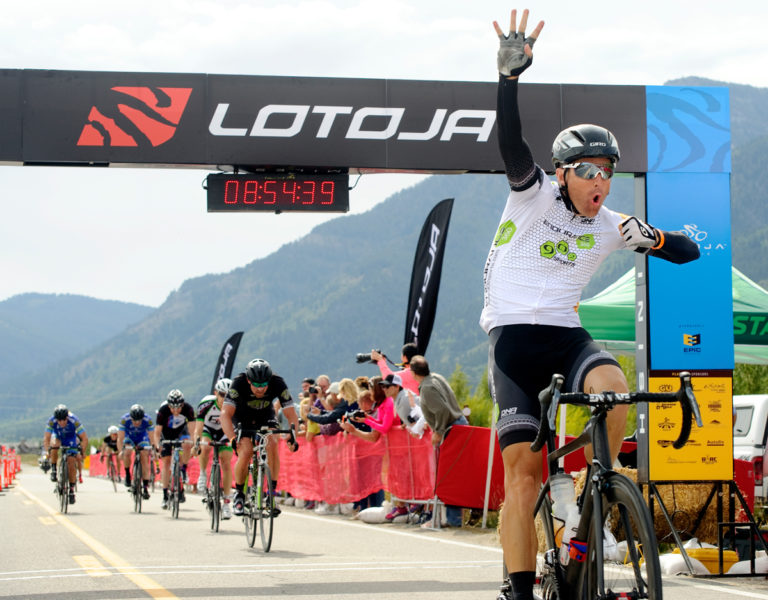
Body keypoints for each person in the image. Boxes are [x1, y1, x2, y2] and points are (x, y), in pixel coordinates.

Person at [484, 10, 700, 600]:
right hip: (511, 343)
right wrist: (509, 80)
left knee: (612, 383)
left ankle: (591, 497)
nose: (598, 179)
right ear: (562, 174)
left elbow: (686, 254)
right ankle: (520, 587)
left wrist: (653, 238)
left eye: (607, 170)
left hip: (563, 334)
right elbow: (510, 143)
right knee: (522, 479)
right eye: (586, 171)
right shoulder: (532, 196)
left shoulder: (610, 221)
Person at [220, 358, 300, 516]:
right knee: (246, 450)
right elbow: (225, 415)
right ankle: (239, 494)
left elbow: (292, 416)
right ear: (248, 380)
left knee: (271, 443)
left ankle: (271, 494)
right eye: (256, 385)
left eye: (264, 385)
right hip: (241, 417)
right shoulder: (238, 383)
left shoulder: (278, 383)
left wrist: (293, 437)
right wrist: (232, 438)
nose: (260, 389)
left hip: (266, 415)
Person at [409, 355, 468, 527]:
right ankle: (454, 517)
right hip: (458, 424)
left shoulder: (426, 387)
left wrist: (439, 430)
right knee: (454, 473)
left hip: (450, 428)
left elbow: (441, 410)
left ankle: (453, 519)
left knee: (448, 474)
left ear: (413, 372)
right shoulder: (437, 378)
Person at [193, 378, 235, 520]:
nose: (225, 398)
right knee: (205, 446)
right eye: (222, 395)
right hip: (208, 430)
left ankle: (226, 504)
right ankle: (203, 473)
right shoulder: (206, 404)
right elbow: (198, 429)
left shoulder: (234, 406)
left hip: (224, 432)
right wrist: (196, 444)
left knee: (226, 462)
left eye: (228, 395)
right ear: (216, 393)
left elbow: (236, 427)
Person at [154, 389, 196, 509]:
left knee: (187, 444)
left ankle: (183, 469)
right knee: (166, 462)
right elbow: (157, 433)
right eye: (173, 408)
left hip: (181, 433)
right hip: (166, 435)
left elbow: (192, 430)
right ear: (168, 405)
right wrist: (158, 446)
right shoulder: (163, 411)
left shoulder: (188, 409)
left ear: (183, 405)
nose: (176, 411)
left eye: (178, 408)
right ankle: (165, 495)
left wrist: (192, 443)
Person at [43, 404, 88, 505]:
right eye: (59, 420)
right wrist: (48, 451)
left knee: (71, 461)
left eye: (64, 419)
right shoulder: (51, 421)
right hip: (58, 436)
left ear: (67, 417)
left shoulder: (74, 420)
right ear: (56, 419)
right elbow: (46, 438)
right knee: (54, 446)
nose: (62, 422)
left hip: (70, 438)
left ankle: (71, 490)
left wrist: (82, 451)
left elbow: (84, 438)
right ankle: (54, 469)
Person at [118, 403, 154, 500]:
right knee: (127, 452)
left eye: (139, 421)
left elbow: (152, 437)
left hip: (142, 437)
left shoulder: (148, 420)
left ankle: (145, 487)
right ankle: (128, 475)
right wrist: (120, 451)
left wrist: (154, 449)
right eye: (134, 420)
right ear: (131, 417)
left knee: (144, 456)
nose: (137, 423)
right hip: (129, 437)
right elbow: (120, 438)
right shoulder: (124, 419)